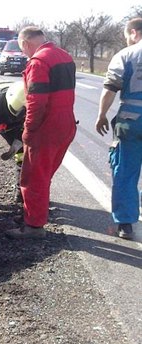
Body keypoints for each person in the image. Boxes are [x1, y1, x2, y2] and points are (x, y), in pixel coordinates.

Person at [5, 26, 77, 239]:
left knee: (33, 178)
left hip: (46, 128)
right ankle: (32, 214)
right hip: (67, 125)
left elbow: (36, 102)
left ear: (26, 43)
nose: (24, 53)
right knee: (45, 175)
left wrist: (28, 130)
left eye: (22, 49)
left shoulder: (39, 62)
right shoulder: (65, 56)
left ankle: (34, 227)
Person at [94, 17, 142, 240]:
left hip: (131, 121)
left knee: (124, 172)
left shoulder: (126, 55)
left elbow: (110, 88)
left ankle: (125, 224)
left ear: (133, 32)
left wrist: (102, 114)